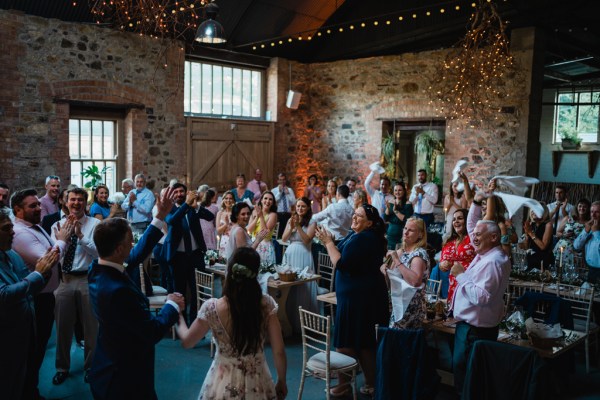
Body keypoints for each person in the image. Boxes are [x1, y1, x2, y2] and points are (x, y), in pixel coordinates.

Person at [88, 216, 184, 400]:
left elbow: (135, 255)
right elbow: (152, 331)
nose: (133, 245)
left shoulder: (97, 268)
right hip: (124, 377)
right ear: (119, 250)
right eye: (130, 241)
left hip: (107, 359)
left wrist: (159, 218)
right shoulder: (118, 292)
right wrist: (171, 304)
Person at [176, 247, 287, 400]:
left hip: (222, 384)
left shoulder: (212, 308)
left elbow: (188, 342)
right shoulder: (266, 305)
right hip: (258, 384)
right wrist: (282, 380)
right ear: (255, 274)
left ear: (230, 272)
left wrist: (177, 315)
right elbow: (279, 351)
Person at [315, 203, 389, 397]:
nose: (354, 218)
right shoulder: (357, 235)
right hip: (357, 297)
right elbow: (341, 251)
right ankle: (367, 382)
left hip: (360, 299)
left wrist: (328, 244)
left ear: (370, 223)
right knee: (360, 341)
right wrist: (329, 241)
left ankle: (346, 384)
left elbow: (341, 263)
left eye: (359, 216)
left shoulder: (365, 238)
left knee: (349, 342)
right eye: (354, 214)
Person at [10, 188, 75, 398]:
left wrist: (57, 243)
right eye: (32, 206)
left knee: (39, 345)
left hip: (46, 295)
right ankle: (28, 391)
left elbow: (50, 250)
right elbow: (47, 260)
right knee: (34, 348)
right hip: (35, 298)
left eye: (38, 204)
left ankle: (30, 388)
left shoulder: (34, 226)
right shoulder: (20, 233)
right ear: (17, 210)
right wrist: (63, 239)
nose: (39, 208)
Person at [0, 208, 58, 400]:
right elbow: (5, 295)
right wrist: (38, 274)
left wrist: (45, 271)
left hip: (24, 329)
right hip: (6, 335)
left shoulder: (11, 255)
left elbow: (27, 285)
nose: (13, 232)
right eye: (6, 228)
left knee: (23, 374)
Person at [450, 220, 511, 394]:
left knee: (469, 379)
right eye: (473, 234)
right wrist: (477, 200)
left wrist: (461, 276)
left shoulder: (493, 261)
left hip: (474, 330)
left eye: (478, 234)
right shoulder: (487, 254)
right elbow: (472, 226)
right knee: (472, 376)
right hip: (474, 327)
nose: (473, 237)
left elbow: (481, 297)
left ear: (493, 237)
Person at [50, 187, 100, 385]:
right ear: (66, 201)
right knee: (63, 327)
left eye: (80, 200)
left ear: (86, 203)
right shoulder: (57, 225)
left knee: (91, 328)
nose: (76, 203)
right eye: (73, 199)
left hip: (87, 279)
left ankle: (91, 367)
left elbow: (98, 253)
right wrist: (62, 241)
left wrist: (80, 236)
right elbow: (55, 254)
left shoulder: (95, 224)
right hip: (64, 280)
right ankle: (62, 367)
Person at [163, 183, 214, 325]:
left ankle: (196, 324)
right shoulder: (170, 208)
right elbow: (172, 221)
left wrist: (196, 206)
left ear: (186, 193)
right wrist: (186, 205)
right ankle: (182, 324)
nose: (179, 194)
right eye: (177, 192)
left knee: (198, 290)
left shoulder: (193, 208)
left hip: (195, 255)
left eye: (182, 191)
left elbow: (210, 216)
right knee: (180, 292)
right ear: (173, 195)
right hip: (177, 257)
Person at [381, 217, 430, 329]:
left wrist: (397, 261)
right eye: (405, 228)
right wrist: (384, 271)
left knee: (400, 343)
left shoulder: (419, 254)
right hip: (397, 305)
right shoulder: (400, 251)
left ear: (420, 235)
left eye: (411, 230)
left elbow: (415, 282)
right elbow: (390, 284)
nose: (406, 232)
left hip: (411, 309)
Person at [282, 197, 318, 331]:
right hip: (290, 253)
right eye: (298, 206)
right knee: (290, 287)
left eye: (303, 206)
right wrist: (291, 226)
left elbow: (307, 240)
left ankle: (305, 324)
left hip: (304, 254)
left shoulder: (312, 222)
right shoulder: (291, 220)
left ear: (308, 207)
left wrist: (298, 226)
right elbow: (284, 238)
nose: (300, 209)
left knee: (303, 287)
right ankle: (290, 321)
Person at [438, 209, 475, 304]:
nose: (456, 221)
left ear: (467, 220)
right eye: (454, 219)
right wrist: (442, 265)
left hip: (469, 281)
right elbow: (441, 263)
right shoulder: (449, 242)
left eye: (460, 218)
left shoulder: (473, 238)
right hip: (453, 283)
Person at [553, 198, 590, 266]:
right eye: (580, 206)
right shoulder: (568, 218)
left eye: (584, 206)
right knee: (558, 270)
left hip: (577, 253)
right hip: (562, 250)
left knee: (573, 273)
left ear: (588, 209)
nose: (582, 208)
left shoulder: (589, 223)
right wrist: (564, 235)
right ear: (577, 207)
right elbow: (557, 232)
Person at [248, 191, 278, 265]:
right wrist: (257, 217)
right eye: (265, 198)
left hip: (265, 246)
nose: (267, 201)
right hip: (253, 243)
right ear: (261, 200)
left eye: (270, 199)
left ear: (273, 203)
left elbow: (265, 234)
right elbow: (249, 230)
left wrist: (261, 216)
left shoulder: (273, 215)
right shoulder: (254, 212)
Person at [574, 201, 600, 284]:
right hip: (590, 270)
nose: (593, 215)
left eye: (597, 212)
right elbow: (576, 246)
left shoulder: (595, 230)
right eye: (592, 212)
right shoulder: (589, 227)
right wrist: (585, 231)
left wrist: (596, 233)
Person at [522, 203, 554, 271]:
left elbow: (543, 247)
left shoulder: (548, 225)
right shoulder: (532, 224)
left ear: (543, 212)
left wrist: (530, 233)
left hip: (543, 260)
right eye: (532, 210)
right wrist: (526, 234)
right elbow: (526, 247)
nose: (533, 212)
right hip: (531, 259)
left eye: (536, 210)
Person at [384, 181, 414, 250]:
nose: (397, 192)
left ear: (404, 191)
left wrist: (395, 211)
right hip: (390, 234)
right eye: (395, 190)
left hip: (401, 235)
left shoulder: (408, 204)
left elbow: (406, 221)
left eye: (400, 190)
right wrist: (388, 208)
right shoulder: (391, 201)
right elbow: (385, 219)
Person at [271, 173, 296, 238]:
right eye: (280, 180)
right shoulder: (274, 190)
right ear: (278, 181)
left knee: (287, 233)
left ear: (285, 180)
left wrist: (287, 194)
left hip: (288, 214)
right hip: (278, 214)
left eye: (283, 180)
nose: (282, 181)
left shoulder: (290, 190)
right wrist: (279, 192)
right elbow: (273, 202)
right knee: (278, 234)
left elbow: (293, 202)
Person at [216, 190, 235, 257]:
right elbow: (218, 231)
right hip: (224, 241)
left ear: (233, 200)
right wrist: (226, 224)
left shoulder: (236, 213)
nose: (228, 200)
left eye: (230, 198)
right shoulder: (220, 213)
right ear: (223, 200)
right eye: (226, 198)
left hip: (234, 240)